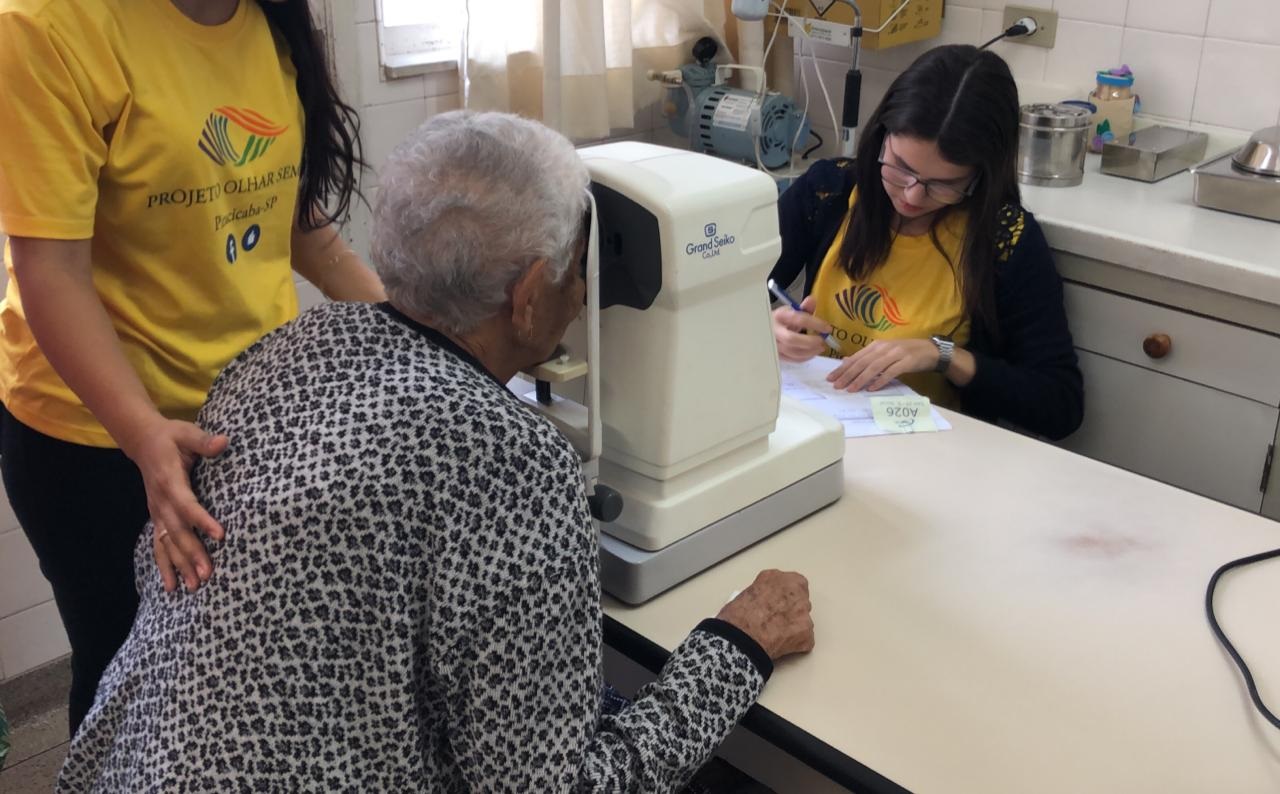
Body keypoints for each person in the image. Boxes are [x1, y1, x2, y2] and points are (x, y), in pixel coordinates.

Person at [56, 110, 817, 792]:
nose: (584, 287)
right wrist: (733, 648)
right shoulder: (509, 460)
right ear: (527, 295)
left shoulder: (277, 356)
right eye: (577, 268)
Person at [0, 0, 385, 735]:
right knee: (130, 685)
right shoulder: (47, 26)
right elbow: (50, 271)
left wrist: (405, 327)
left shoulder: (271, 22)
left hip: (243, 418)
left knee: (234, 670)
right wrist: (144, 436)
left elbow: (290, 218)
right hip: (96, 440)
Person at [770, 44, 1083, 441]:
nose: (912, 197)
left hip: (931, 455)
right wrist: (765, 329)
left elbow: (1060, 405)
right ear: (882, 137)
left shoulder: (1005, 239)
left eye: (943, 184)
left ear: (981, 175)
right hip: (813, 431)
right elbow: (719, 306)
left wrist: (943, 356)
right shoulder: (828, 191)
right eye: (901, 168)